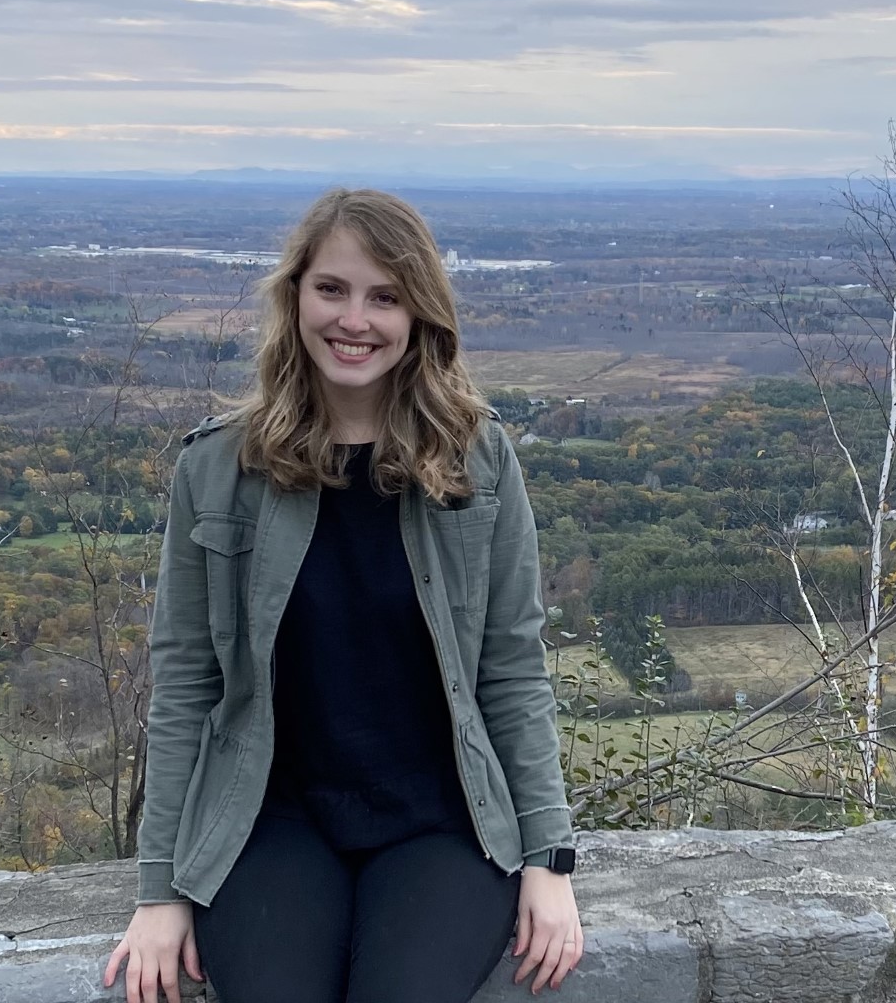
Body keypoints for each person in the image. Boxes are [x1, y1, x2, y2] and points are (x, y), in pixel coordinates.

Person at [105, 189, 582, 1003]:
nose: (354, 319)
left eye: (384, 297)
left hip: (442, 823)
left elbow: (510, 669)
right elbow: (188, 681)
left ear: (419, 315)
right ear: (295, 296)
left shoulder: (479, 463)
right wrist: (159, 892)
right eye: (332, 289)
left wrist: (549, 861)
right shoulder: (218, 468)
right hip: (269, 822)